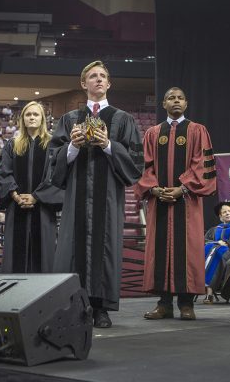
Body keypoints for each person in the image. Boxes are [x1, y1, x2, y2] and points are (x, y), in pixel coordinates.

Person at [49, 60, 143, 328]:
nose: (98, 80)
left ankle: (101, 308)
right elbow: (53, 160)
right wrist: (72, 148)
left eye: (103, 76)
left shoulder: (123, 119)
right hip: (77, 195)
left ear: (109, 83)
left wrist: (109, 145)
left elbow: (136, 164)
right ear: (84, 83)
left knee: (105, 248)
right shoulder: (69, 120)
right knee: (72, 248)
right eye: (93, 76)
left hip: (108, 197)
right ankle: (74, 305)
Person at [135, 87, 216, 321]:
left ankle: (186, 304)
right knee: (159, 250)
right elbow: (144, 166)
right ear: (164, 104)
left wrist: (182, 188)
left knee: (186, 251)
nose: (176, 101)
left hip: (187, 202)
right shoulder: (152, 133)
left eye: (180, 98)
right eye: (171, 98)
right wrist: (154, 188)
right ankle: (163, 304)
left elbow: (202, 165)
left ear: (186, 103)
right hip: (159, 202)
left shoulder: (197, 131)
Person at [0, 101, 63, 273]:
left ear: (42, 119)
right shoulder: (12, 144)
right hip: (16, 207)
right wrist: (15, 195)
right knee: (14, 256)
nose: (32, 117)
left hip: (43, 210)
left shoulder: (53, 146)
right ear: (23, 119)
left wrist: (36, 196)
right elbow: (3, 172)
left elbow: (56, 176)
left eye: (36, 114)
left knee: (44, 255)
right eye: (28, 114)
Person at [202, 201, 230, 304]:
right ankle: (207, 290)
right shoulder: (214, 229)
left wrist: (224, 243)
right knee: (209, 250)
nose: (228, 213)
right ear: (220, 216)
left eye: (229, 211)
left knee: (217, 252)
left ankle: (209, 293)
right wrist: (217, 243)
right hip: (214, 251)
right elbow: (205, 240)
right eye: (224, 212)